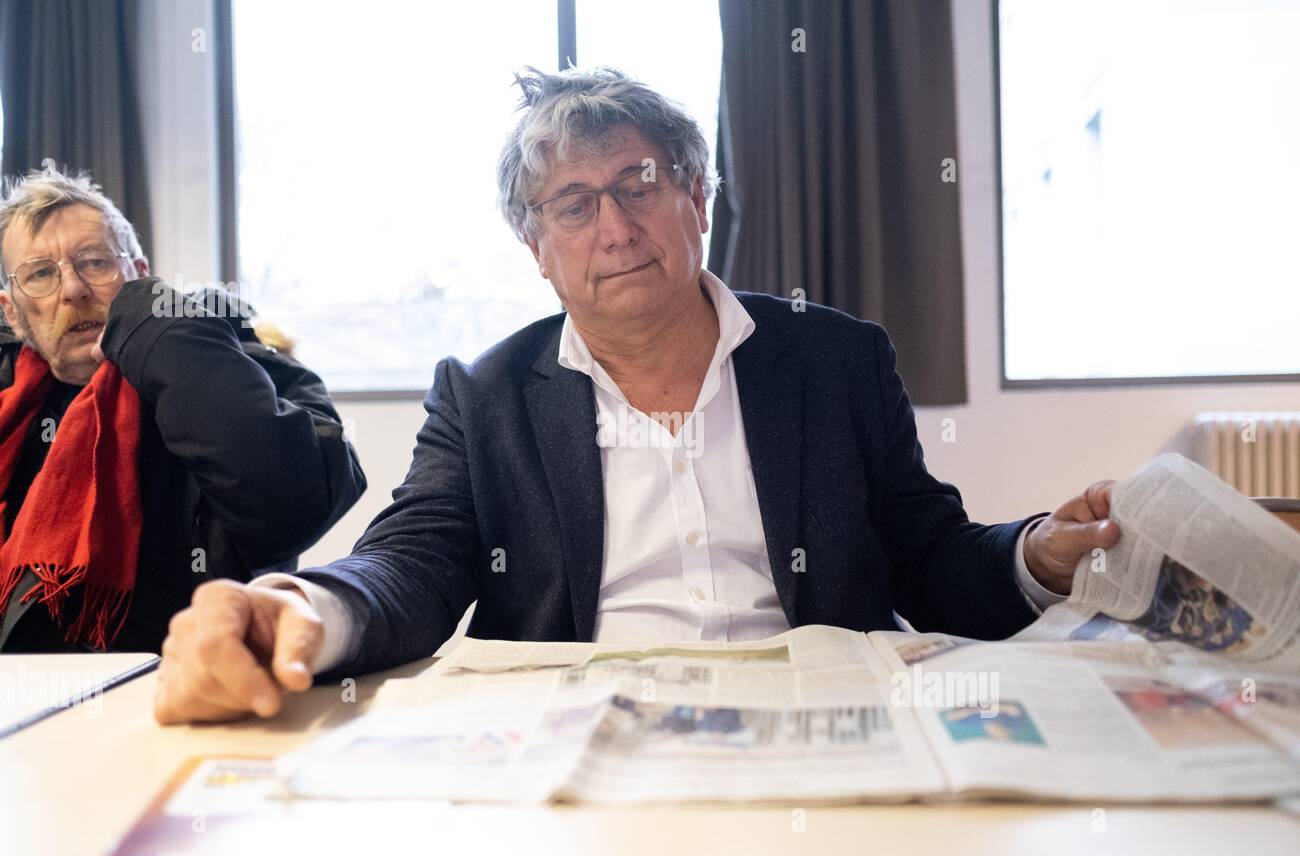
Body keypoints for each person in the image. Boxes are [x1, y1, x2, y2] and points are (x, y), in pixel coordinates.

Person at [153, 68, 1119, 724]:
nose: (614, 227)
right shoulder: (485, 394)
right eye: (573, 205)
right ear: (537, 249)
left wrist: (1040, 555)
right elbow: (413, 562)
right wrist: (304, 605)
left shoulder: (837, 360)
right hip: (580, 734)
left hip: (824, 724)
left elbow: (930, 556)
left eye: (638, 184)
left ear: (696, 198)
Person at [0, 164, 366, 654]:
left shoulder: (225, 351)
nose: (74, 290)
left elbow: (293, 508)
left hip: (196, 680)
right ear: (12, 311)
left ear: (141, 276)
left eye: (95, 262)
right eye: (41, 274)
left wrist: (162, 333)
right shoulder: (11, 403)